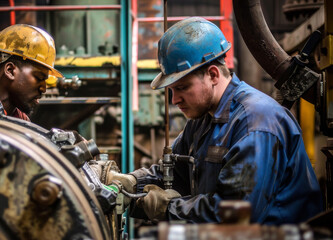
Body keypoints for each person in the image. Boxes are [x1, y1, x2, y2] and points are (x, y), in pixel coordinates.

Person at [108, 17, 323, 224]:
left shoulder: (255, 125)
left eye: (182, 88)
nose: (174, 100)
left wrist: (167, 208)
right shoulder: (203, 119)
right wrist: (132, 182)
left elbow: (238, 214)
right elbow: (174, 171)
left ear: (212, 75)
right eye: (172, 90)